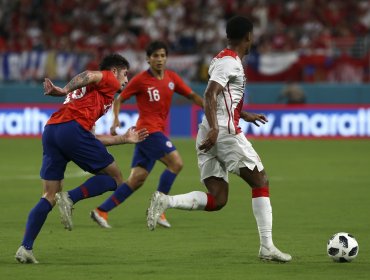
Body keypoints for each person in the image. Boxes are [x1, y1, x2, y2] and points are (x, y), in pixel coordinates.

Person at [146, 16, 292, 262]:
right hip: (222, 132)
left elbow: (222, 98)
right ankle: (267, 247)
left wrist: (241, 113)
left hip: (211, 130)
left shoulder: (222, 58)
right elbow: (210, 93)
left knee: (218, 198)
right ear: (248, 37)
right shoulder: (229, 63)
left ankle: (165, 201)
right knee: (260, 181)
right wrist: (216, 128)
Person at [15, 54, 148, 264]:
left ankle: (25, 247)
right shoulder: (108, 80)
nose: (125, 80)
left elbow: (90, 138)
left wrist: (123, 138)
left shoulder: (91, 95)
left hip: (53, 131)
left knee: (49, 195)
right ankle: (70, 198)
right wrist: (62, 89)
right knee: (115, 179)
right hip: (72, 130)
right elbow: (89, 74)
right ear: (114, 72)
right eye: (125, 74)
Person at [88, 41, 204, 229]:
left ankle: (101, 210)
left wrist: (207, 107)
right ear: (148, 59)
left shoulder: (172, 78)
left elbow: (191, 95)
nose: (159, 59)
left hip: (148, 135)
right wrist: (115, 119)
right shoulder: (141, 80)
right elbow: (119, 99)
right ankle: (159, 209)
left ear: (167, 58)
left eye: (162, 55)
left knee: (137, 179)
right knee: (176, 163)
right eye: (155, 56)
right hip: (149, 131)